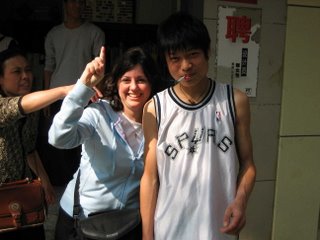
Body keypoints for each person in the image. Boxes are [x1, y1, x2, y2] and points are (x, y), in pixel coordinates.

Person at [140, 12, 257, 240]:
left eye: (193, 54)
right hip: (169, 229)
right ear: (165, 60)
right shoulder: (155, 108)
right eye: (175, 58)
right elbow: (150, 177)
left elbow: (248, 165)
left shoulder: (235, 101)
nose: (185, 66)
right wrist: (147, 235)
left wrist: (241, 201)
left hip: (219, 228)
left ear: (207, 53)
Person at [48, 46, 159, 240]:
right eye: (126, 80)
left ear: (151, 84)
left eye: (141, 80)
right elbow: (59, 137)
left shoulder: (160, 123)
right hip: (82, 221)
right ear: (116, 84)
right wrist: (83, 86)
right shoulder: (98, 114)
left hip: (128, 224)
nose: (133, 87)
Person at [0, 48, 73, 239]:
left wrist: (44, 181)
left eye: (28, 70)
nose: (25, 76)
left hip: (23, 197)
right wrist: (64, 90)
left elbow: (30, 149)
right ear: (0, 79)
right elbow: (15, 107)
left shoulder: (33, 110)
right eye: (16, 72)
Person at [41, 0, 105, 186]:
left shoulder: (95, 32)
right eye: (74, 2)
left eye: (82, 2)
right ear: (65, 4)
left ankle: (80, 183)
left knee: (83, 143)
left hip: (86, 96)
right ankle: (61, 185)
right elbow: (48, 67)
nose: (79, 6)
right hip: (58, 95)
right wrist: (46, 97)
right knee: (57, 143)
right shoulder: (54, 34)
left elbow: (100, 67)